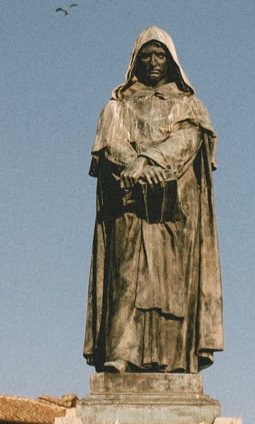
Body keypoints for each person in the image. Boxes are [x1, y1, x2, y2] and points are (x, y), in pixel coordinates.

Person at [83, 27, 223, 373]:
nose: (153, 62)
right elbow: (109, 145)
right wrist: (134, 166)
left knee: (171, 286)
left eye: (160, 55)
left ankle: (173, 360)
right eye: (146, 55)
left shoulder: (189, 106)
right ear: (136, 62)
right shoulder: (117, 107)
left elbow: (189, 140)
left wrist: (149, 160)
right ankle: (121, 353)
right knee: (126, 277)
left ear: (171, 60)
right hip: (129, 205)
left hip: (173, 211)